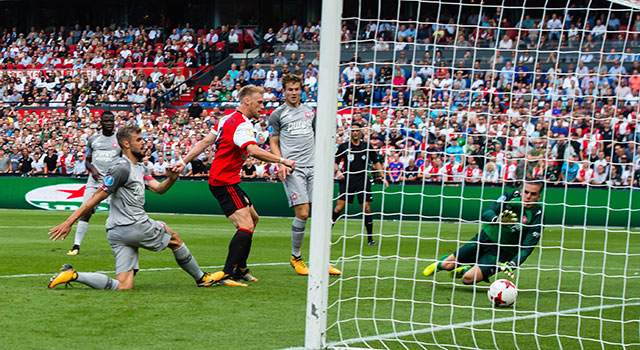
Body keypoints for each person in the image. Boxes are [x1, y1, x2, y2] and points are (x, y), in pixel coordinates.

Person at [48, 125, 218, 290]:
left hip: (117, 232)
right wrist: (69, 221)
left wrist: (172, 178)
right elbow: (97, 196)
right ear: (126, 144)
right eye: (138, 140)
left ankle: (73, 275)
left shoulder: (140, 168)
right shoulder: (121, 167)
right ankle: (201, 278)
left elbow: (159, 189)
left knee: (123, 285)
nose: (143, 143)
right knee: (174, 238)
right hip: (135, 225)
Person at [171, 85, 295, 285]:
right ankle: (227, 272)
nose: (262, 107)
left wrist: (183, 161)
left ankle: (240, 268)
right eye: (260, 102)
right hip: (224, 181)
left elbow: (205, 143)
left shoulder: (225, 119)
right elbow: (253, 151)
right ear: (247, 101)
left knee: (254, 219)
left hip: (226, 180)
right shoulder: (243, 124)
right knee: (245, 225)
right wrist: (282, 161)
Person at [269, 74, 342, 276]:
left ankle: (322, 260)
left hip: (315, 168)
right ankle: (296, 257)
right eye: (290, 89)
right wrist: (280, 162)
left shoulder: (310, 112)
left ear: (302, 90)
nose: (294, 92)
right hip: (294, 169)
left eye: (297, 89)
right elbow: (273, 142)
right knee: (303, 213)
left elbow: (318, 138)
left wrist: (328, 163)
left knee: (322, 215)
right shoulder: (277, 114)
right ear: (283, 91)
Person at [423, 181, 544, 284]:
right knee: (447, 265)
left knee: (467, 279)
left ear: (538, 197)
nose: (528, 197)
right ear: (521, 191)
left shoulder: (537, 216)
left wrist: (513, 264)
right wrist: (497, 220)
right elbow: (487, 211)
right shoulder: (510, 197)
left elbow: (527, 247)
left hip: (503, 252)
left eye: (533, 194)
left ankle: (467, 269)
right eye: (526, 192)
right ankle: (440, 264)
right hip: (485, 238)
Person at [67, 111, 121, 256]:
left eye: (111, 121)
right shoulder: (93, 139)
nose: (109, 123)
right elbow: (87, 160)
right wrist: (93, 169)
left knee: (118, 214)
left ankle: (119, 246)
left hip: (114, 183)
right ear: (101, 122)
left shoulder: (120, 140)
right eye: (106, 121)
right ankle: (76, 246)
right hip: (95, 181)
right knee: (86, 210)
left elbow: (125, 161)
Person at [332, 123, 389, 246]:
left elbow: (376, 162)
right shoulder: (344, 147)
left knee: (367, 209)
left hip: (363, 179)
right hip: (348, 179)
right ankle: (326, 233)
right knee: (339, 207)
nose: (355, 133)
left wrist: (383, 177)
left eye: (357, 130)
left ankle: (370, 239)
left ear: (361, 132)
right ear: (350, 132)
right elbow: (335, 162)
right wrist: (338, 172)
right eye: (353, 131)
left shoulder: (367, 146)